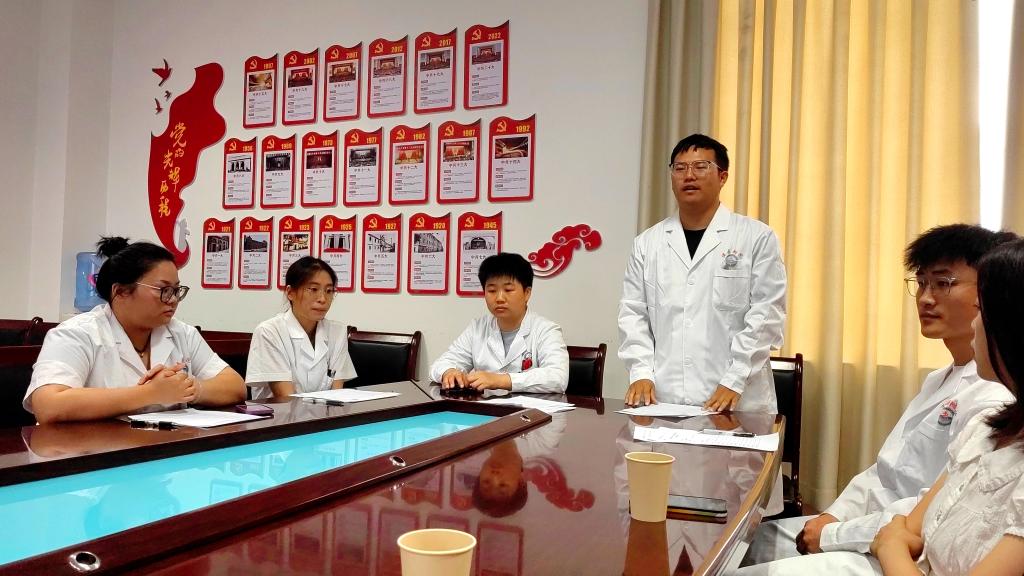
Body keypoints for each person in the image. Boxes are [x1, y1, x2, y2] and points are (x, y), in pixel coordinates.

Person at [737, 225, 1016, 574]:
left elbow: (933, 512)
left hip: (899, 553)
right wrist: (831, 518)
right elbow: (883, 474)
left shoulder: (994, 399)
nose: (926, 298)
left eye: (943, 283)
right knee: (744, 545)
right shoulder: (940, 380)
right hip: (871, 531)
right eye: (921, 283)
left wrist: (834, 533)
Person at [871, 238, 1024, 575]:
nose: (974, 324)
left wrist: (890, 546)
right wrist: (894, 542)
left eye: (981, 310)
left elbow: (898, 537)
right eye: (922, 283)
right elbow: (910, 527)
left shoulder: (986, 401)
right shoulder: (986, 429)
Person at [618, 133, 787, 411]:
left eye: (700, 167)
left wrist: (735, 378)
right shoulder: (647, 244)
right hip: (666, 398)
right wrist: (640, 372)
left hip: (738, 398)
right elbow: (633, 313)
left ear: (722, 177)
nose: (689, 176)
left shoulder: (756, 237)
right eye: (680, 168)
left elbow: (767, 314)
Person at [24, 237, 245, 423]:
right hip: (89, 453)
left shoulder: (181, 332)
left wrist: (190, 388)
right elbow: (49, 405)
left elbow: (235, 386)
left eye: (177, 290)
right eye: (163, 290)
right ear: (121, 291)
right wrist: (150, 394)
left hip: (162, 449)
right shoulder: (76, 333)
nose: (173, 300)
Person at [429, 252, 569, 393]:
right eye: (492, 290)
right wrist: (449, 371)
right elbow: (439, 365)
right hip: (485, 406)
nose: (499, 298)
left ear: (527, 293)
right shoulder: (477, 328)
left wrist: (501, 380)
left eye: (508, 290)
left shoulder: (546, 330)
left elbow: (558, 378)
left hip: (530, 407)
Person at [246, 256, 356, 399]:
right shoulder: (269, 331)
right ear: (290, 292)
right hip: (281, 413)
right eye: (313, 289)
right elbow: (286, 398)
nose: (323, 299)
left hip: (326, 412)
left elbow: (337, 395)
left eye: (329, 291)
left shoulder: (337, 332)